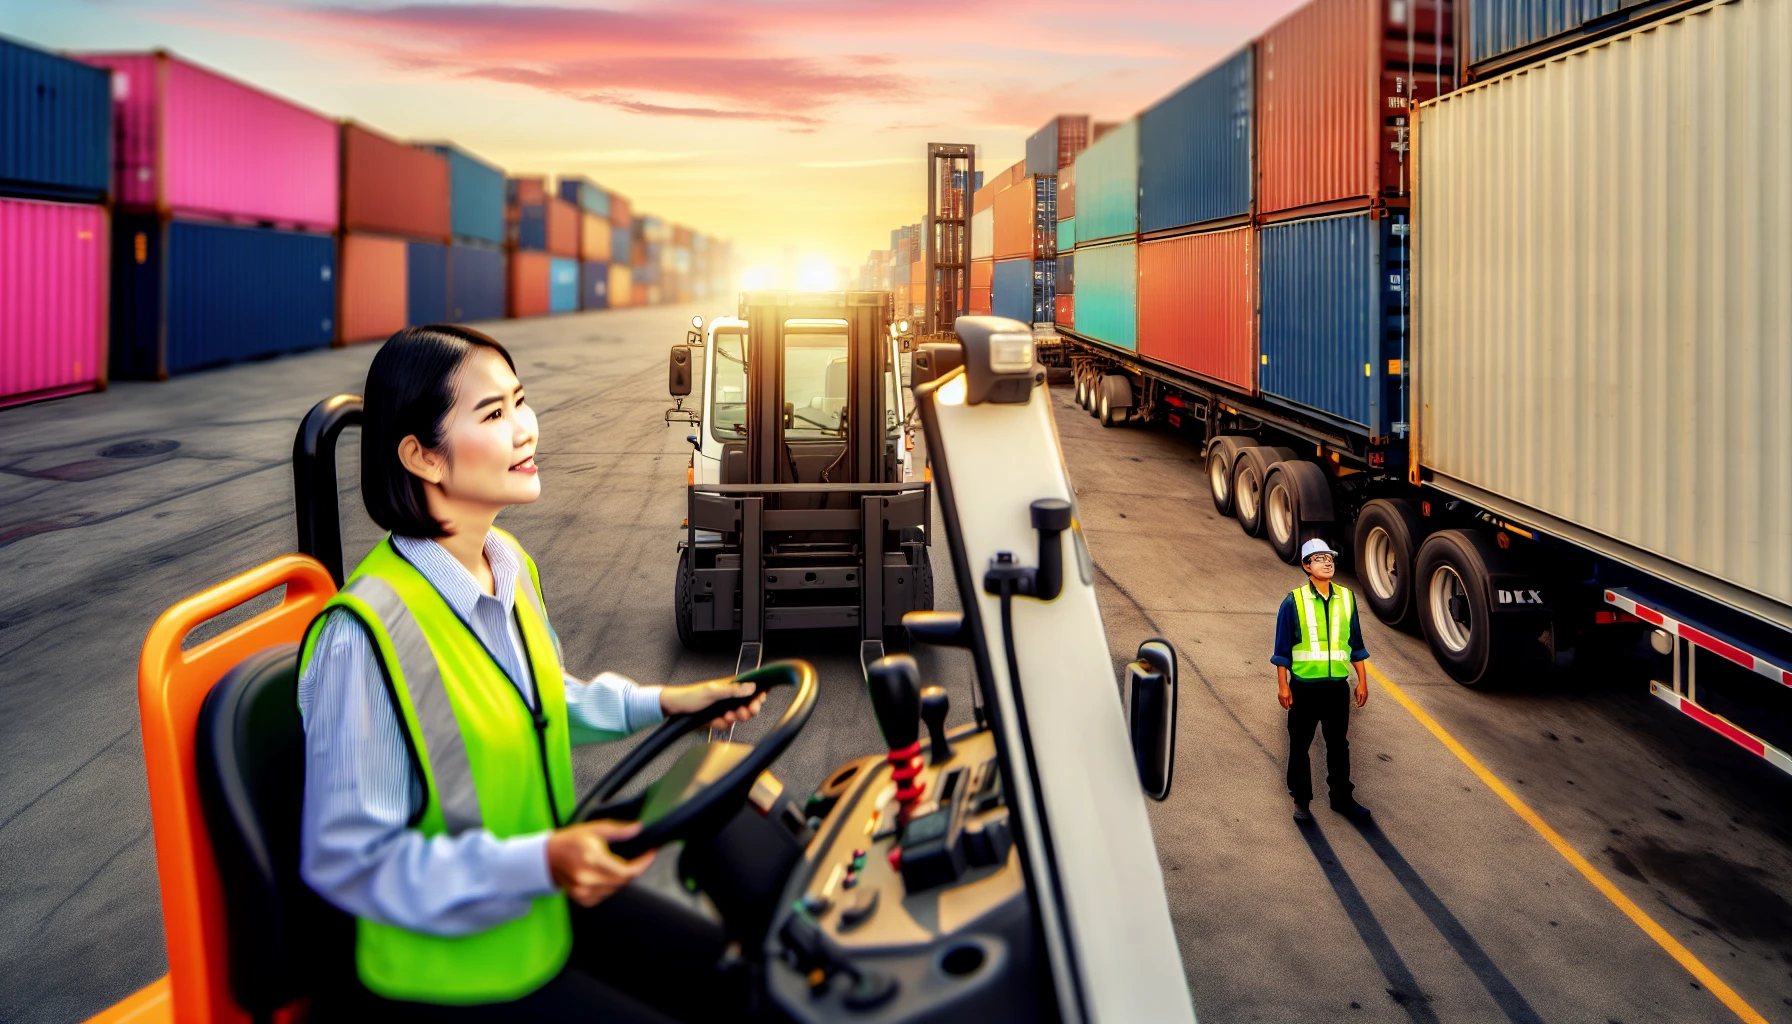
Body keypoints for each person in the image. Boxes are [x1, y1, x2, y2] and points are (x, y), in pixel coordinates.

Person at [297, 324, 764, 1021]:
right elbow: (348, 858)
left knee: (737, 977)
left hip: (535, 912)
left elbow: (539, 699)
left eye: (520, 402)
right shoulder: (362, 636)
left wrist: (662, 701)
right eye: (493, 414)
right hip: (448, 977)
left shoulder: (508, 564)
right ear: (422, 456)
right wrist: (542, 862)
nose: (525, 429)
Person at [1270, 538, 1372, 823]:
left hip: (1337, 687)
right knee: (1300, 745)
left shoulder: (1347, 597)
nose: (1327, 562)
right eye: (1318, 558)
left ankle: (1342, 798)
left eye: (1329, 557)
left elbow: (1356, 644)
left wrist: (1361, 682)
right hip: (1304, 687)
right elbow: (1282, 650)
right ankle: (1301, 801)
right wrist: (1283, 685)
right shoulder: (1293, 601)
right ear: (1306, 566)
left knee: (1338, 744)